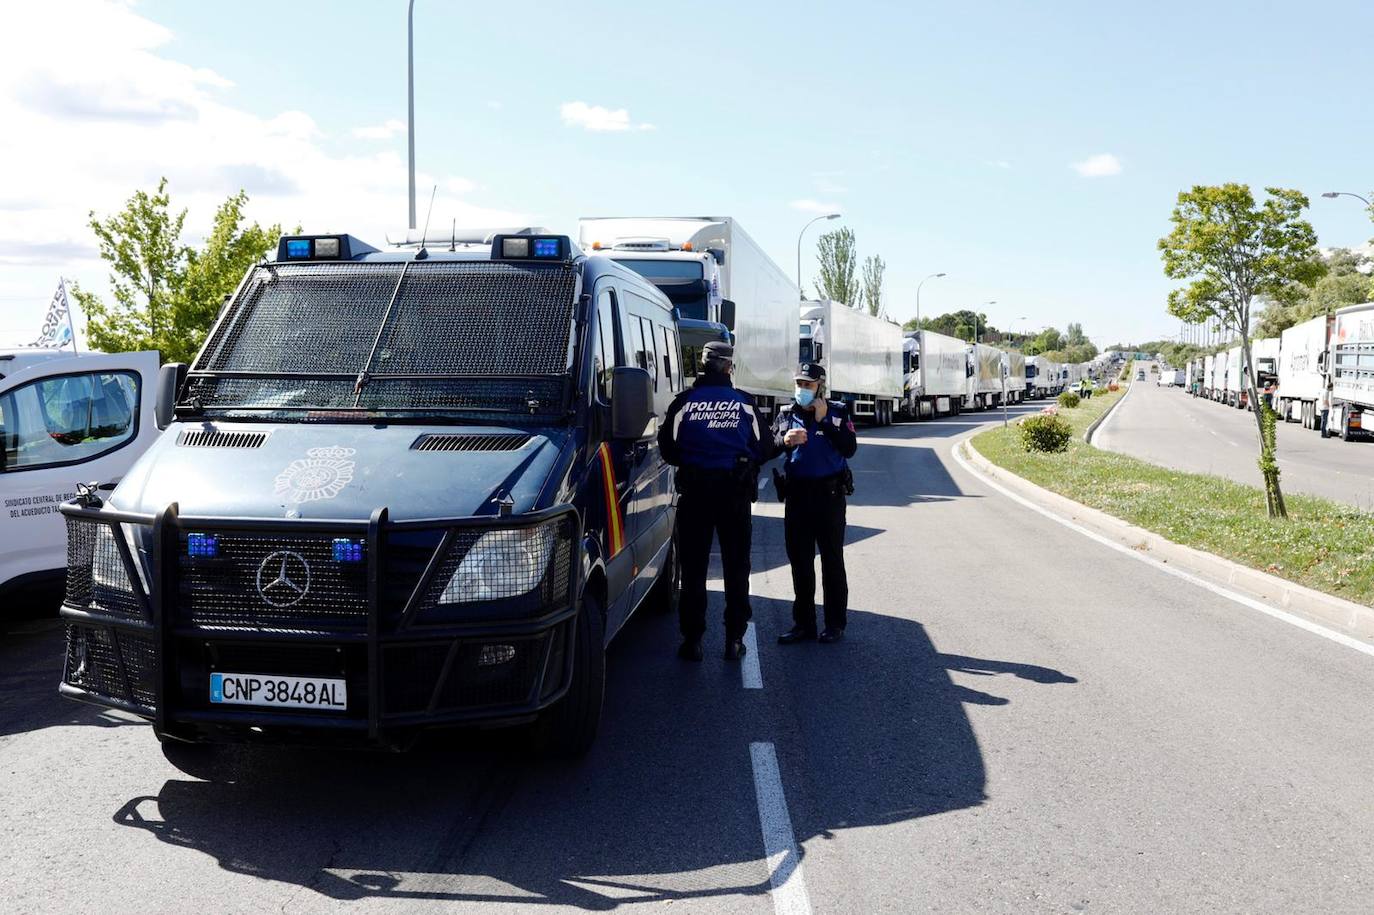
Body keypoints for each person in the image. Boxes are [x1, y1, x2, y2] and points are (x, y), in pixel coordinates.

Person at [659, 340, 771, 662]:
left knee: (694, 570)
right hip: (734, 496)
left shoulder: (684, 403)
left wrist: (696, 456)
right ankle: (734, 640)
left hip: (695, 495)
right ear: (729, 367)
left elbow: (668, 449)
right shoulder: (743, 403)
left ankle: (692, 641)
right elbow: (764, 447)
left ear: (703, 364)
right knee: (737, 569)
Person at [773, 363, 857, 645]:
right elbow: (768, 445)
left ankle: (834, 623)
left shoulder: (837, 412)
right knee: (800, 562)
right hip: (797, 496)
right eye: (799, 383)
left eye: (808, 385)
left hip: (829, 497)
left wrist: (823, 422)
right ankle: (804, 624)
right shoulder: (787, 414)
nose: (802, 389)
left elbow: (849, 448)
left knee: (832, 561)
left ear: (820, 386)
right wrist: (783, 440)